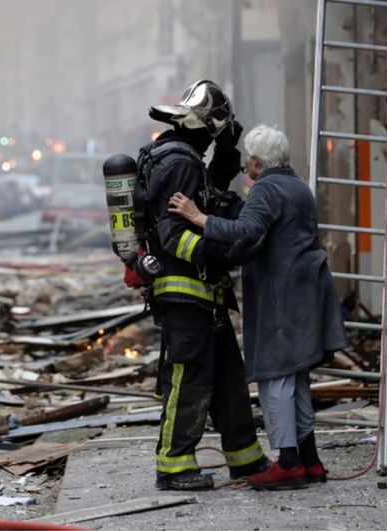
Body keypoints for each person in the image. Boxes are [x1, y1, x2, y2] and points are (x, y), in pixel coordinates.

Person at [168, 125, 348, 490]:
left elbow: (246, 231)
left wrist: (196, 217)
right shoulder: (298, 185)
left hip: (282, 297)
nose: (244, 164)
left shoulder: (266, 188)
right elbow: (264, 237)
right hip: (307, 292)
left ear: (255, 159)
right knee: (296, 379)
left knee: (275, 379)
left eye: (248, 158)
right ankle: (310, 462)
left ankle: (288, 463)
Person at [129, 80, 270, 491]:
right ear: (206, 128)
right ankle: (173, 465)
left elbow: (212, 191)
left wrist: (229, 151)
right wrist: (217, 252)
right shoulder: (181, 162)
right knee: (188, 377)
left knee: (228, 376)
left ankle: (245, 457)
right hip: (185, 291)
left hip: (204, 295)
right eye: (215, 135)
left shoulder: (178, 157)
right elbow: (174, 234)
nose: (214, 143)